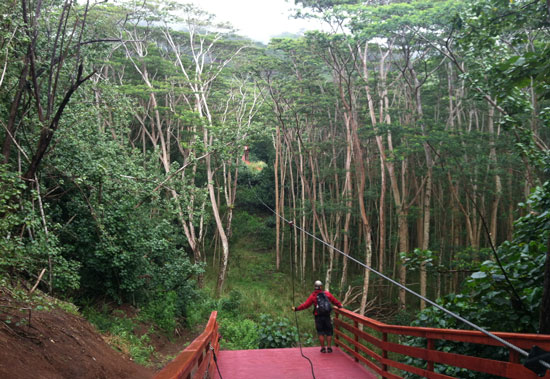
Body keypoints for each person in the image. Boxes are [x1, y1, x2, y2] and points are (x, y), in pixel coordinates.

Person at [292, 280, 343, 353]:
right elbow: (334, 300)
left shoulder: (313, 296)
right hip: (327, 316)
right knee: (329, 332)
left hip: (318, 316)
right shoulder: (327, 294)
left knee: (320, 332)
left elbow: (306, 305)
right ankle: (329, 348)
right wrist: (340, 305)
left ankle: (322, 348)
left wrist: (297, 309)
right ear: (321, 287)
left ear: (315, 287)